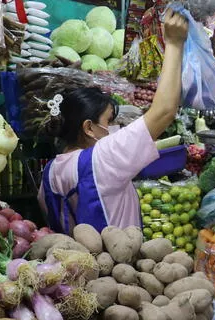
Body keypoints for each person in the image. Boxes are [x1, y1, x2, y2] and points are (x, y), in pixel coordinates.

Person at [38, 11, 188, 233]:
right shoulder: (103, 159)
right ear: (89, 128)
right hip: (116, 265)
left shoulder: (49, 173)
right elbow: (164, 110)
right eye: (109, 121)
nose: (114, 128)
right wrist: (175, 43)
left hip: (74, 265)